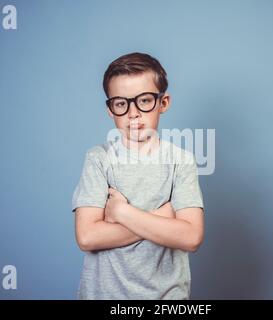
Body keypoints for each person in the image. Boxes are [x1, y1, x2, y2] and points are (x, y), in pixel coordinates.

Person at [71, 52, 205, 299]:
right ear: (110, 110)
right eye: (121, 103)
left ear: (163, 103)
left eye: (144, 100)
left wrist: (122, 212)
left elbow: (191, 236)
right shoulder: (98, 159)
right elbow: (88, 237)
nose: (133, 113)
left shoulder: (181, 162)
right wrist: (162, 217)